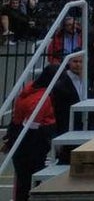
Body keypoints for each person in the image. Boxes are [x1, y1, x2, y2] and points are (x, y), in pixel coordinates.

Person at [10, 66, 56, 201]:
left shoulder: (29, 89)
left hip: (18, 135)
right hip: (32, 143)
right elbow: (32, 127)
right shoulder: (41, 99)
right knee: (30, 180)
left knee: (22, 181)